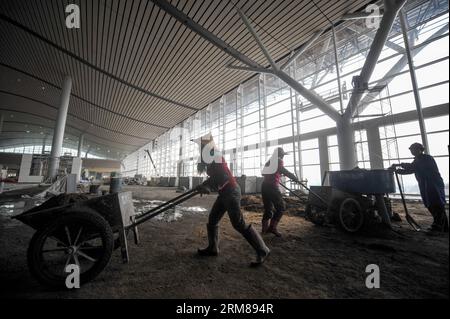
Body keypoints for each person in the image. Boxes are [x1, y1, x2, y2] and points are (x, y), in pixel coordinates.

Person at [194, 134, 270, 267]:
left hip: (231, 191)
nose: (199, 148)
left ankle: (262, 250)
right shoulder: (210, 159)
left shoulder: (216, 156)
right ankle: (213, 248)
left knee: (238, 223)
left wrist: (207, 186)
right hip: (224, 192)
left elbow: (221, 176)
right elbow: (215, 178)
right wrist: (204, 185)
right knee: (212, 220)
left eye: (201, 146)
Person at [391, 143, 448, 233]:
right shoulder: (417, 160)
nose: (412, 151)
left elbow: (414, 167)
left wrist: (399, 165)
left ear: (420, 149)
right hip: (425, 183)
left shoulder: (427, 158)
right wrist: (397, 170)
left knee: (436, 204)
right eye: (411, 150)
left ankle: (438, 226)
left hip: (433, 183)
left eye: (414, 149)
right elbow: (411, 170)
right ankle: (443, 227)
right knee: (430, 204)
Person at [261, 147, 300, 237]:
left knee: (268, 208)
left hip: (264, 186)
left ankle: (264, 230)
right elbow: (283, 170)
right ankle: (272, 228)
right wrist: (294, 177)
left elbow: (263, 173)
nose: (283, 157)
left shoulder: (269, 161)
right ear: (281, 155)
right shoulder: (279, 161)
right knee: (281, 207)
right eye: (283, 155)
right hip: (272, 187)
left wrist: (275, 172)